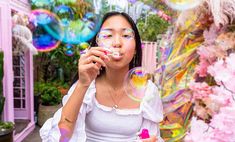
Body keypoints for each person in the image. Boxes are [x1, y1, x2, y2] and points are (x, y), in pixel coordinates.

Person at [40, 11, 164, 142]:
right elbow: (61, 135)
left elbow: (148, 135)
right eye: (108, 35)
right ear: (97, 46)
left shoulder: (148, 91)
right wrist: (83, 84)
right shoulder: (87, 87)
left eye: (126, 35)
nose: (117, 42)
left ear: (135, 50)